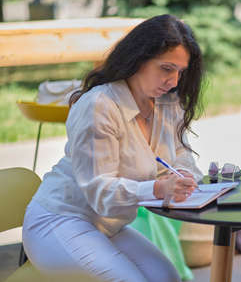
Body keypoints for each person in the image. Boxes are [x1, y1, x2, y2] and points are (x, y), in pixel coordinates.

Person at [22, 14, 205, 282]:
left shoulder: (166, 102)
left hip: (108, 225)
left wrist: (182, 174)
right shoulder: (100, 105)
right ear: (139, 59)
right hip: (60, 220)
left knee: (168, 277)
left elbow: (180, 154)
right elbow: (99, 191)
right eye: (167, 69)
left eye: (181, 71)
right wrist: (157, 188)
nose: (175, 81)